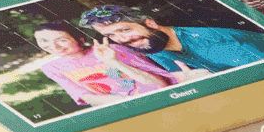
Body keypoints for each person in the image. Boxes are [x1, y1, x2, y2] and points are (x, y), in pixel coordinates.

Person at [80, 5, 264, 73]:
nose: (121, 40)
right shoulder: (153, 46)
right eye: (111, 35)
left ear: (150, 23)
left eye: (125, 30)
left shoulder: (213, 45)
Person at [33, 21, 177, 107]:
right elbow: (84, 96)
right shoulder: (51, 68)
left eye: (61, 40)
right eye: (43, 41)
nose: (54, 47)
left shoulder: (111, 50)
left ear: (80, 40)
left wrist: (113, 61)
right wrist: (127, 102)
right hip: (118, 106)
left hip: (153, 95)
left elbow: (158, 80)